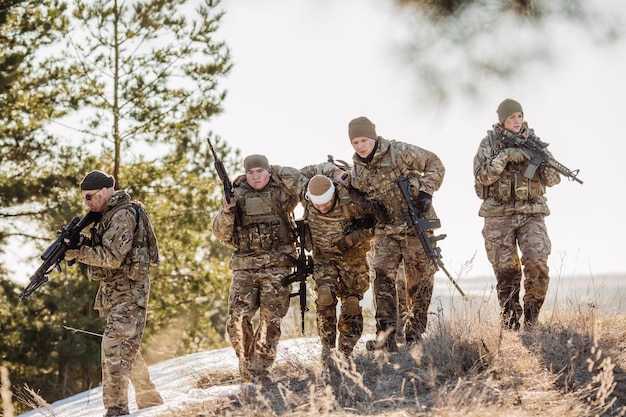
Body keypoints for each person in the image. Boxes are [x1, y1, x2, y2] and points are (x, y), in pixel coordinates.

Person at [212, 155, 336, 383]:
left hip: (278, 265)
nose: (256, 176)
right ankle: (248, 364)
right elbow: (220, 233)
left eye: (260, 171)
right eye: (251, 172)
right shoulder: (236, 195)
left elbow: (304, 186)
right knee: (236, 320)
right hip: (245, 267)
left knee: (271, 321)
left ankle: (259, 371)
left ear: (269, 171)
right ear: (245, 174)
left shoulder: (282, 191)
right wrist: (227, 212)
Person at [65, 170, 163, 417]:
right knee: (125, 347)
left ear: (105, 191)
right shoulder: (107, 215)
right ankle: (149, 399)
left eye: (89, 197)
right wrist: (81, 244)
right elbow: (104, 248)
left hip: (130, 291)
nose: (86, 203)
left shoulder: (122, 215)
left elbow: (112, 257)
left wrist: (78, 252)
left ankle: (116, 409)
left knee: (113, 348)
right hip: (116, 292)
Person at [348, 116, 445, 351]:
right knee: (382, 278)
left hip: (415, 226)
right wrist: (366, 205)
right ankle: (386, 337)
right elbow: (354, 190)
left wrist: (425, 192)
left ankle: (414, 334)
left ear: (373, 137)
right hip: (387, 232)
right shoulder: (358, 169)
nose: (360, 146)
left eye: (364, 140)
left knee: (419, 282)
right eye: (355, 142)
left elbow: (435, 163)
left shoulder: (398, 151)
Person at [473, 98, 561, 330]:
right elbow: (482, 177)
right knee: (507, 273)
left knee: (537, 263)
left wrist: (543, 163)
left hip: (532, 213)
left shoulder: (535, 143)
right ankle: (510, 324)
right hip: (498, 215)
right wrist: (506, 156)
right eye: (511, 117)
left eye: (519, 116)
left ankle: (532, 321)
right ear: (503, 120)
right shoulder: (489, 144)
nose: (516, 120)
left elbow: (554, 180)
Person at [301, 174, 373, 364]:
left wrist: (351, 239)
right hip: (324, 258)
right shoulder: (306, 200)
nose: (322, 208)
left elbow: (373, 226)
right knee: (325, 296)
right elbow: (287, 175)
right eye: (318, 205)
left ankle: (346, 351)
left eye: (326, 203)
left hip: (353, 259)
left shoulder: (351, 201)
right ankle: (327, 349)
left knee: (351, 303)